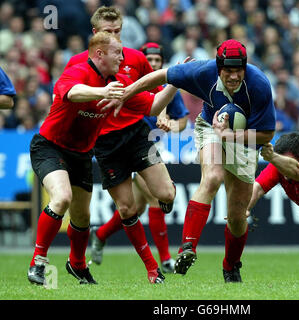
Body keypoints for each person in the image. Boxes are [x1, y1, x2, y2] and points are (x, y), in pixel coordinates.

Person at [27, 32, 177, 286]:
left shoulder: (118, 82)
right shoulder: (77, 71)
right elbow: (72, 93)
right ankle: (38, 262)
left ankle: (77, 265)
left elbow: (152, 106)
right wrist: (102, 91)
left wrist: (175, 79)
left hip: (83, 153)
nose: (123, 57)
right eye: (117, 53)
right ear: (99, 54)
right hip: (50, 147)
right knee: (62, 198)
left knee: (82, 218)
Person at [125, 39, 276, 282]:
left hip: (246, 138)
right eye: (228, 70)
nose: (234, 76)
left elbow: (268, 133)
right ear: (218, 68)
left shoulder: (259, 84)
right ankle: (188, 246)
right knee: (213, 176)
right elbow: (162, 76)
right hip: (210, 126)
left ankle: (230, 265)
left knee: (237, 216)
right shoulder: (202, 71)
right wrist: (125, 94)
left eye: (239, 70)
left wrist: (230, 135)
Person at [65, 6, 177, 282]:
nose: (114, 37)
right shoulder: (78, 63)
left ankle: (119, 238)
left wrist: (162, 114)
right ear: (95, 33)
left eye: (117, 32)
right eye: (107, 31)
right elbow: (69, 97)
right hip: (105, 143)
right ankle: (153, 269)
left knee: (167, 195)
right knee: (127, 209)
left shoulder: (136, 58)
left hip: (138, 135)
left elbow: (156, 91)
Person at [90, 42, 189, 273]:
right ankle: (165, 260)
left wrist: (170, 125)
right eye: (150, 60)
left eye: (157, 60)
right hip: (125, 144)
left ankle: (101, 233)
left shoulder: (165, 87)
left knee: (136, 207)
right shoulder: (131, 83)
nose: (154, 64)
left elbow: (182, 119)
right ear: (142, 63)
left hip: (146, 147)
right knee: (150, 201)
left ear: (162, 63)